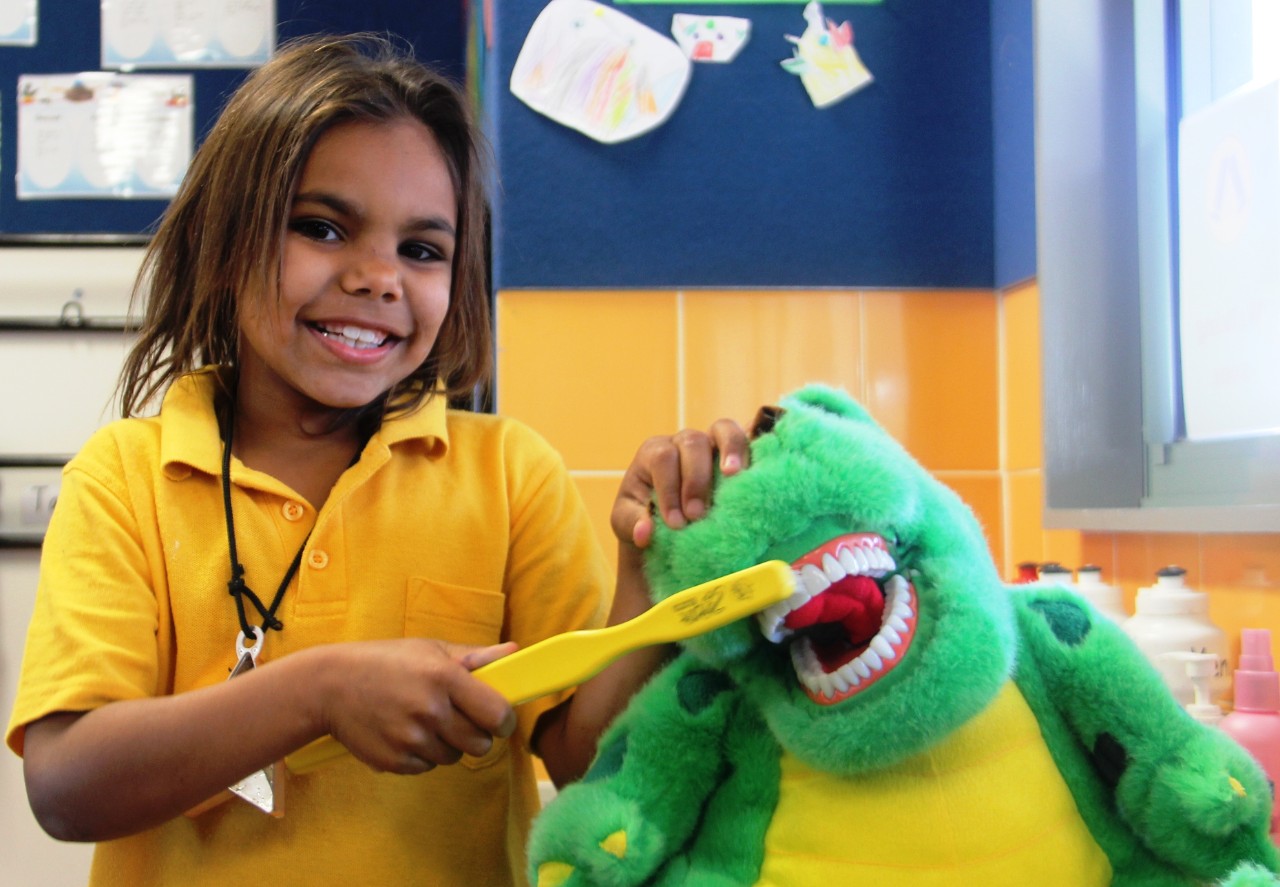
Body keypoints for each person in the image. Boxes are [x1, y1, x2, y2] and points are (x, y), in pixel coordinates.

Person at [5, 34, 748, 886]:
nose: (377, 277)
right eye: (322, 227)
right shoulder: (125, 477)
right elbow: (66, 785)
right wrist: (318, 693)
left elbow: (588, 761)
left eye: (422, 250)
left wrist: (644, 573)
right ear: (224, 243)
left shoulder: (509, 476)